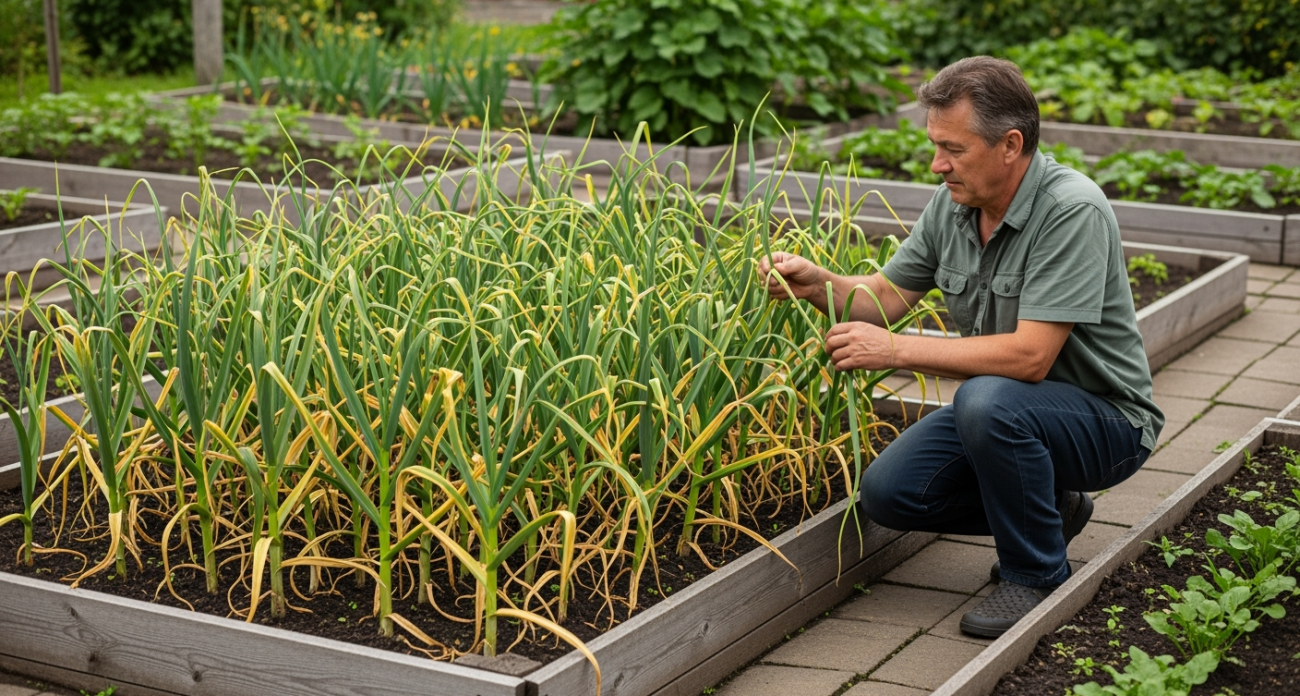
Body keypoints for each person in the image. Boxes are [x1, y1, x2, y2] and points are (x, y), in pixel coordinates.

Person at [758, 56, 1163, 638]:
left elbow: (1030, 358)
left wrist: (896, 351)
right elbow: (886, 296)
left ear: (1010, 145)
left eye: (953, 148)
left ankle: (1036, 573)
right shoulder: (954, 204)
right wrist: (817, 284)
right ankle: (1052, 511)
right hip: (1011, 408)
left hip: (1105, 421)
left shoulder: (1071, 210)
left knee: (986, 399)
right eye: (934, 145)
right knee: (890, 495)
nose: (936, 163)